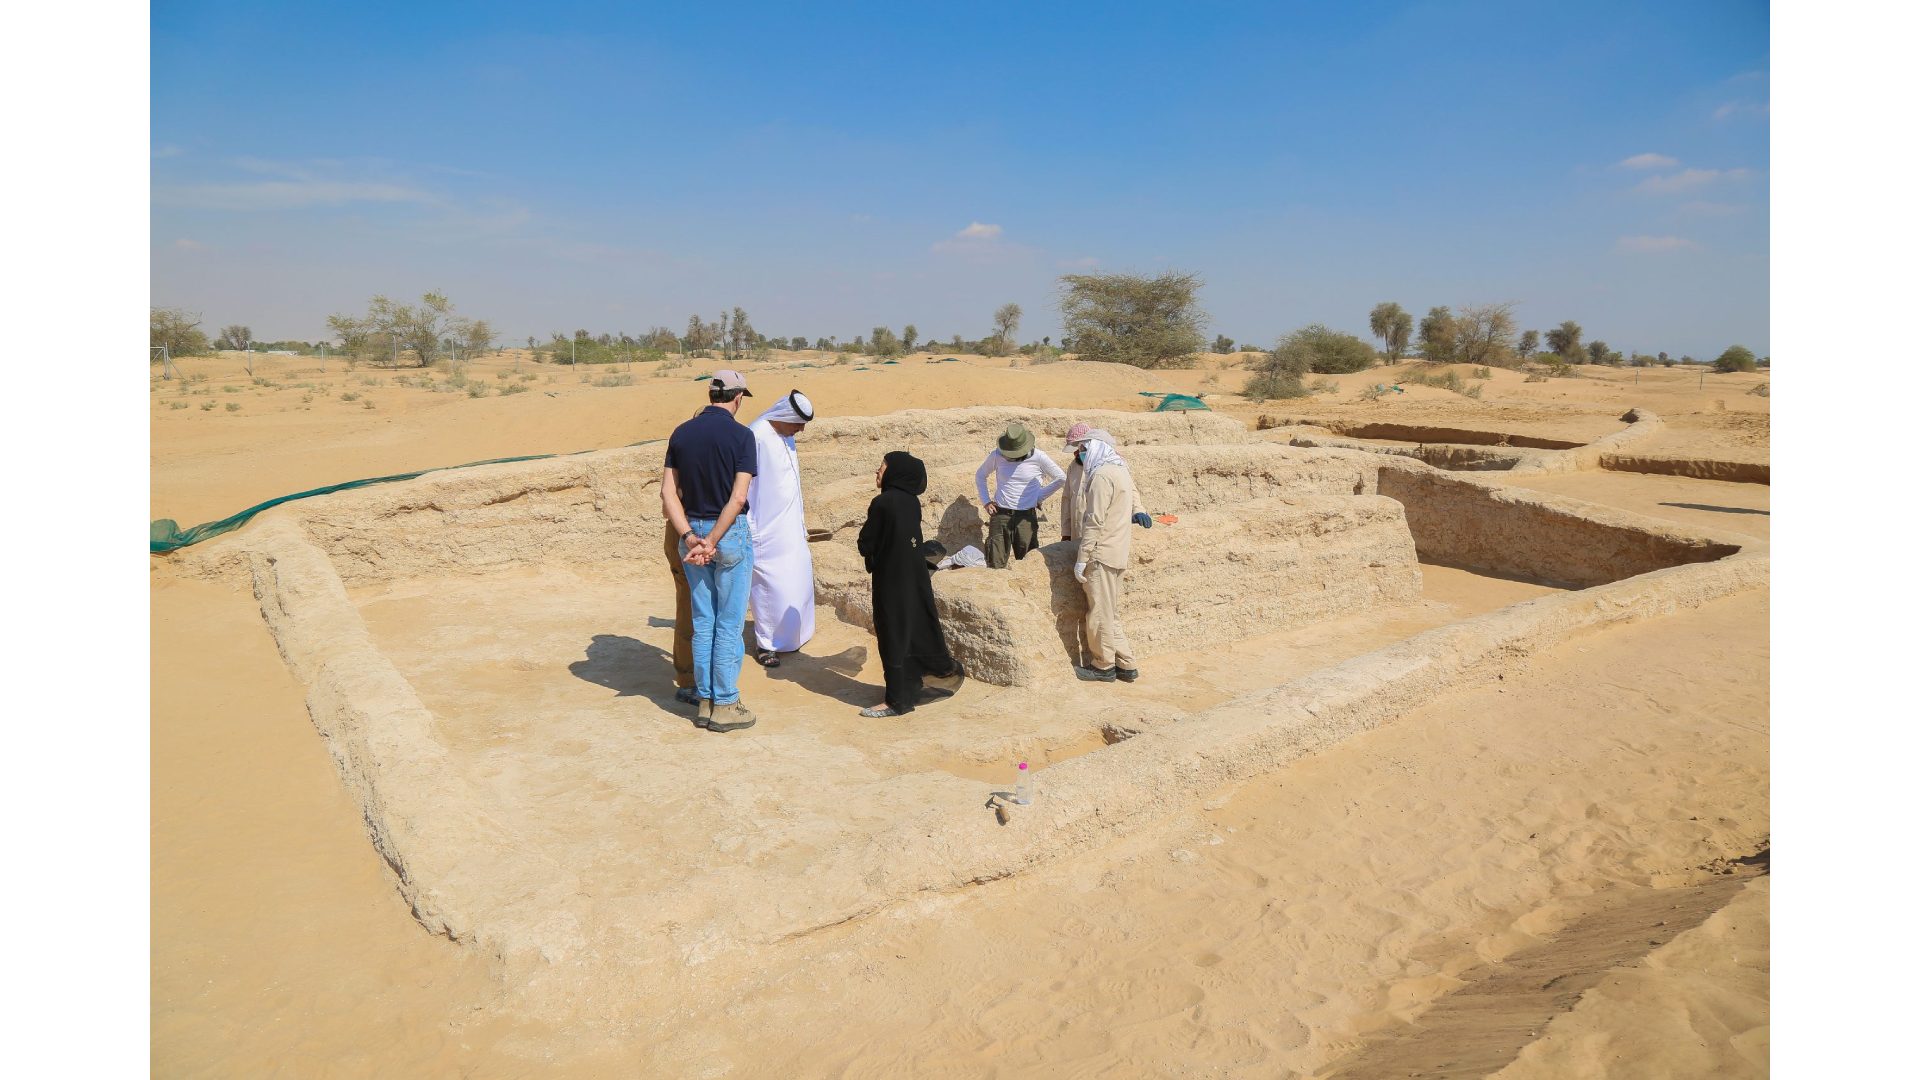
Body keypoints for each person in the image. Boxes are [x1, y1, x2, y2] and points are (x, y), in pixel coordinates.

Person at [661, 370, 759, 732]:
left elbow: (668, 493)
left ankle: (704, 701)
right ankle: (726, 703)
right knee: (729, 623)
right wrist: (714, 539)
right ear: (737, 398)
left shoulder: (682, 432)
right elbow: (738, 498)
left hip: (692, 531)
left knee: (703, 620)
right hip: (726, 534)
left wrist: (690, 536)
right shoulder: (742, 436)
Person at [857, 451, 965, 718]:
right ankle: (913, 684)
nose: (878, 472)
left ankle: (896, 701)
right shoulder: (911, 502)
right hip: (914, 579)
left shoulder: (883, 503)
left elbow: (866, 543)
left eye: (882, 467)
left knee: (893, 634)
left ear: (896, 472)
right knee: (914, 628)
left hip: (891, 581)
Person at [1071, 430, 1152, 684]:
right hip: (1118, 551)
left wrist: (1082, 557)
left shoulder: (1102, 476)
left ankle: (1103, 666)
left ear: (1094, 448)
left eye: (1084, 448)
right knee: (1110, 612)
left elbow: (1094, 520)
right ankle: (1126, 665)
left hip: (1101, 553)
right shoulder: (1121, 471)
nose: (1080, 453)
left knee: (1099, 613)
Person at [746, 390, 818, 667]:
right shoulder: (756, 435)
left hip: (790, 528)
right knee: (769, 588)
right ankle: (767, 645)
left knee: (795, 581)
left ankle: (794, 636)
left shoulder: (785, 436)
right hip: (766, 529)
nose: (800, 430)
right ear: (784, 417)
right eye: (798, 423)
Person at [974, 421, 1067, 567]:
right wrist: (986, 501)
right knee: (995, 564)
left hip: (1026, 517)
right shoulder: (997, 455)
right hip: (1001, 515)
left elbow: (1061, 478)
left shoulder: (1039, 457)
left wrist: (1039, 496)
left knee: (1028, 563)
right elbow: (980, 475)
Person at [1059, 421, 1092, 542]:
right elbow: (1067, 499)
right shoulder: (1073, 467)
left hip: (1097, 533)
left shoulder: (1105, 464)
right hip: (1076, 532)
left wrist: (1138, 510)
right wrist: (1066, 532)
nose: (1075, 453)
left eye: (1078, 449)